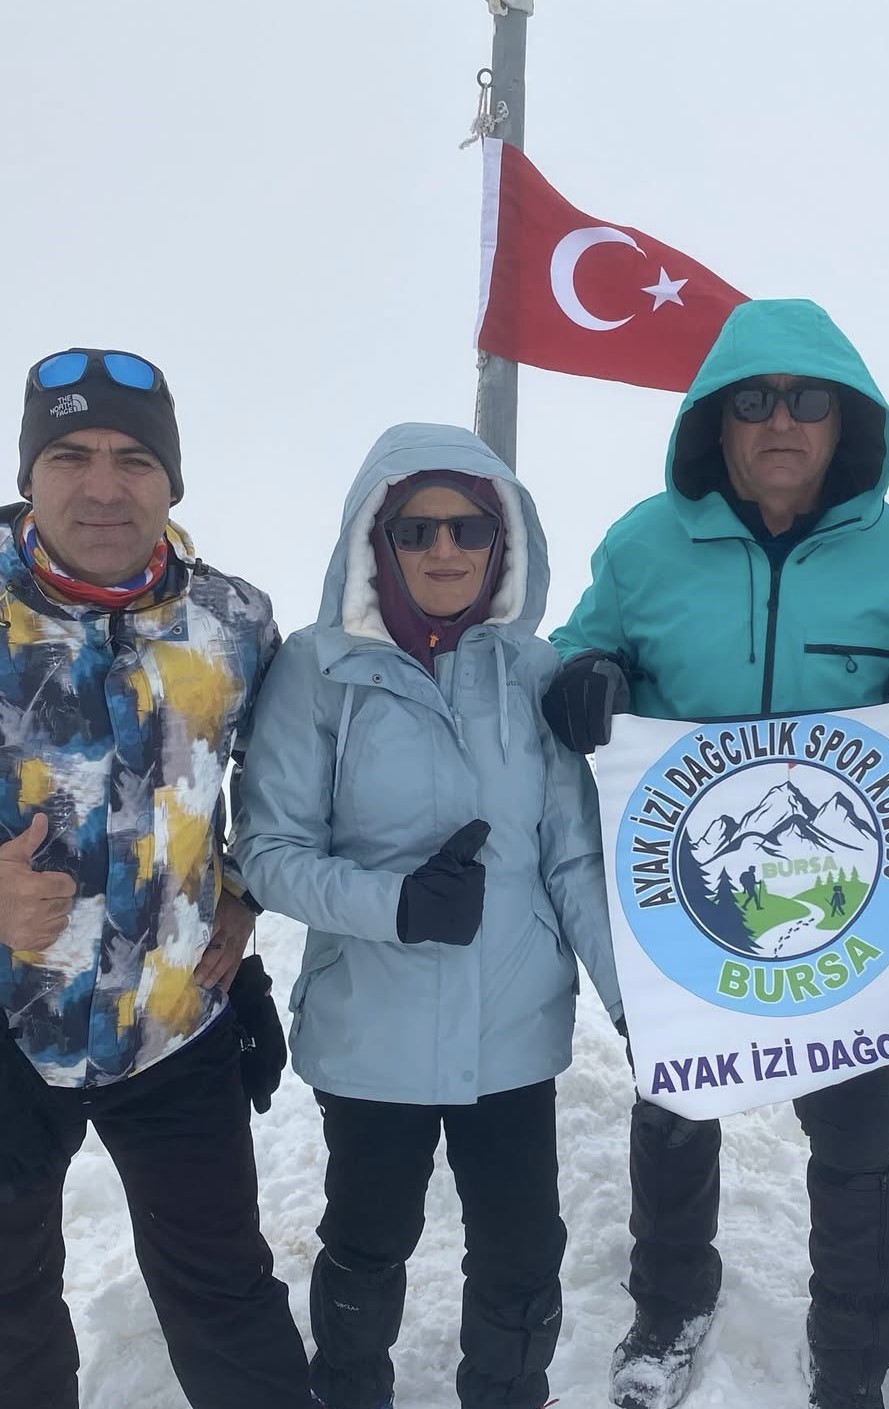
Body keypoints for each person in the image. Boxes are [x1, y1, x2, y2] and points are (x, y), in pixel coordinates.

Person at [541, 298, 889, 1409]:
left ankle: (852, 1344)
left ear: (849, 425)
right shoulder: (645, 541)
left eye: (810, 401)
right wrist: (580, 676)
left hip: (843, 911)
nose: (782, 421)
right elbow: (579, 640)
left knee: (858, 1141)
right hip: (685, 905)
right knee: (675, 1114)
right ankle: (668, 1304)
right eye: (754, 400)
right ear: (717, 421)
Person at [233, 422, 625, 1409]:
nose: (444, 550)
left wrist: (639, 1000)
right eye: (417, 530)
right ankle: (350, 1386)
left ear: (504, 543)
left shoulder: (533, 670)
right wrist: (394, 903)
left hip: (512, 1026)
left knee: (525, 1246)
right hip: (373, 1027)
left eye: (468, 528)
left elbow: (572, 854)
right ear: (377, 539)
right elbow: (267, 853)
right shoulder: (317, 672)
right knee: (367, 1237)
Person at [0, 348, 311, 1409]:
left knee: (226, 1288)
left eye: (134, 458)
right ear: (28, 473)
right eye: (71, 455)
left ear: (171, 481)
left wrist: (242, 888)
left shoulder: (235, 622)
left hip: (172, 1020)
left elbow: (278, 791)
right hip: (10, 1021)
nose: (102, 484)